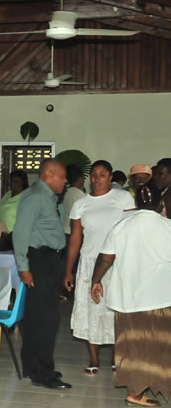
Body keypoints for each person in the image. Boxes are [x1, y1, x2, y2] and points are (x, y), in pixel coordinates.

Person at [91, 183, 171, 406]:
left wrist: (96, 281)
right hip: (161, 298)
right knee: (159, 345)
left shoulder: (121, 226)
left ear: (136, 203)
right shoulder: (168, 227)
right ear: (160, 203)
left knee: (132, 346)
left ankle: (135, 391)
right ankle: (151, 386)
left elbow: (106, 258)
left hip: (128, 298)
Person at [63, 160, 135, 375]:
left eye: (102, 174)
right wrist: (68, 270)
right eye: (94, 175)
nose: (97, 179)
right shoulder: (81, 203)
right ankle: (94, 360)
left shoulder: (122, 198)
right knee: (92, 310)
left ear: (110, 177)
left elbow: (132, 229)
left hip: (116, 262)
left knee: (114, 309)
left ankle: (116, 358)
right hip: (89, 261)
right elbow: (75, 238)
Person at [13, 158, 71, 389]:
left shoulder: (47, 197)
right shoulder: (36, 197)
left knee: (37, 317)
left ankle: (34, 367)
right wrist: (24, 267)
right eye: (63, 177)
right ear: (49, 175)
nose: (65, 181)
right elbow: (20, 233)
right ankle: (43, 373)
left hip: (48, 260)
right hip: (39, 260)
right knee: (46, 319)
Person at [62, 164, 86, 237]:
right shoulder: (79, 194)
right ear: (80, 178)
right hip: (73, 232)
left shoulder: (63, 192)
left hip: (63, 230)